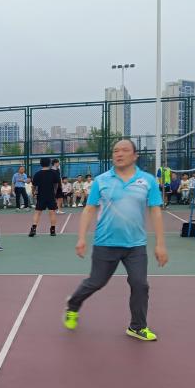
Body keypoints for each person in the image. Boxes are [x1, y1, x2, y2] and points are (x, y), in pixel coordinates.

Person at [64, 139, 168, 341]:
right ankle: (73, 304)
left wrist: (160, 244)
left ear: (135, 155)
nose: (119, 154)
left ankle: (137, 327)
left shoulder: (147, 180)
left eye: (125, 150)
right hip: (105, 243)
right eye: (115, 151)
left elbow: (155, 211)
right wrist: (81, 238)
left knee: (140, 284)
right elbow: (89, 209)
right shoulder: (101, 180)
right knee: (96, 282)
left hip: (136, 245)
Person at [29, 157, 61, 236]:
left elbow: (34, 186)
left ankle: (33, 229)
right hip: (50, 195)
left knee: (37, 212)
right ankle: (53, 230)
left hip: (41, 195)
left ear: (40, 164)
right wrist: (54, 192)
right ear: (50, 163)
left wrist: (33, 192)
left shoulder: (37, 174)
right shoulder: (54, 173)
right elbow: (56, 184)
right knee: (52, 212)